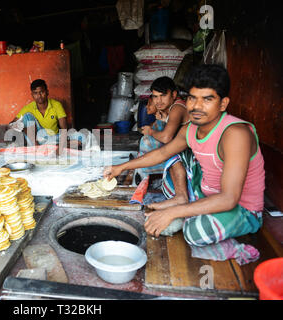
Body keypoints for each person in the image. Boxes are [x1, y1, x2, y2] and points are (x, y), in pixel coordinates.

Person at [104, 64, 265, 246]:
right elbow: (163, 152)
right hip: (204, 193)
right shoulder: (190, 129)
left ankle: (185, 212)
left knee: (195, 233)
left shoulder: (235, 134)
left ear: (223, 104)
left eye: (207, 99)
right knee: (173, 158)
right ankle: (185, 204)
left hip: (240, 208)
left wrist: (173, 213)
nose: (197, 106)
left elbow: (229, 198)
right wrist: (121, 167)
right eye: (192, 98)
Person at [134, 76, 189, 184]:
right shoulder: (171, 107)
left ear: (173, 94)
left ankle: (149, 177)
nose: (158, 101)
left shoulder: (177, 108)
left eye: (163, 96)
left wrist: (150, 131)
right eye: (155, 97)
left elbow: (166, 137)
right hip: (180, 146)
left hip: (189, 152)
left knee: (148, 142)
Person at [9, 79, 83, 153]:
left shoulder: (56, 105)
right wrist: (17, 126)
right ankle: (39, 147)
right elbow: (10, 124)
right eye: (35, 93)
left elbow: (64, 128)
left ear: (47, 92)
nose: (39, 96)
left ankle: (52, 147)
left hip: (54, 137)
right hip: (37, 140)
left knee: (81, 137)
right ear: (32, 95)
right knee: (27, 116)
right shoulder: (28, 108)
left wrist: (62, 142)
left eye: (41, 92)